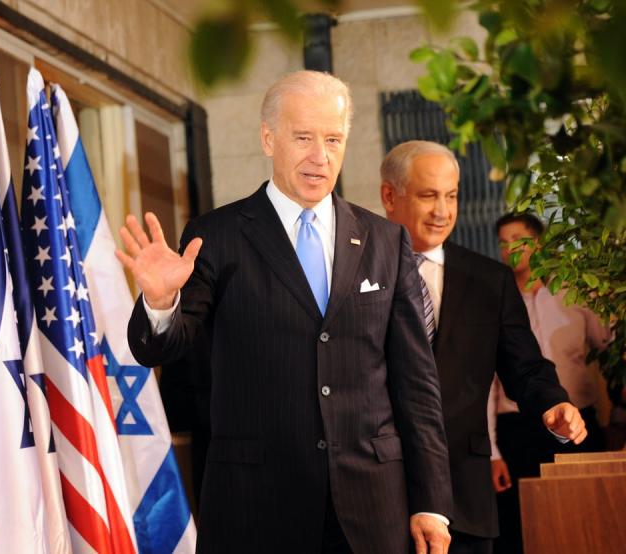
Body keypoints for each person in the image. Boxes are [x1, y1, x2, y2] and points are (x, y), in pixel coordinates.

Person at [117, 71, 453, 554]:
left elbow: (417, 383)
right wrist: (160, 301)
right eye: (304, 138)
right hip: (255, 508)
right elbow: (161, 346)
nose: (321, 156)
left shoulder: (385, 240)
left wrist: (432, 503)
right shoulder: (218, 236)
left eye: (333, 139)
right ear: (269, 138)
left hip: (373, 507)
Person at [379, 141, 588, 554]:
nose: (443, 211)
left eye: (451, 196)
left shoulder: (488, 281)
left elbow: (525, 367)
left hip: (466, 499)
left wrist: (552, 403)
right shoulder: (355, 272)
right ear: (390, 196)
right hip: (380, 492)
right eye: (428, 195)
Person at [488, 212, 612, 553]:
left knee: (588, 521)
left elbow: (609, 347)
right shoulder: (493, 302)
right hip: (517, 431)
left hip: (578, 423)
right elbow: (489, 387)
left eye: (518, 240)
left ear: (537, 243)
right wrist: (493, 452)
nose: (509, 249)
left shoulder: (574, 292)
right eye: (503, 243)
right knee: (523, 530)